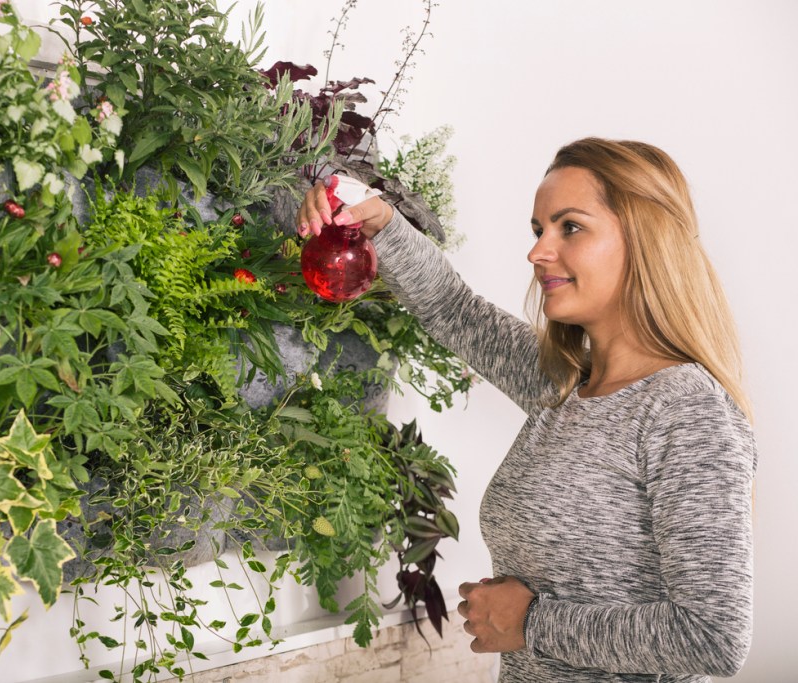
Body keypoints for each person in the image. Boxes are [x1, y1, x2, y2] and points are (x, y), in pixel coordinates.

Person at [296, 137, 757, 682]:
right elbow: (453, 309)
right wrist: (380, 221)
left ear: (645, 240)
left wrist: (532, 622)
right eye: (539, 230)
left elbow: (714, 637)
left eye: (571, 227)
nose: (538, 252)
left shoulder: (684, 410)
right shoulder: (565, 384)